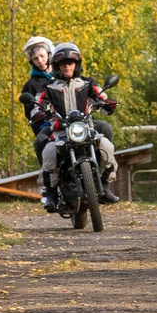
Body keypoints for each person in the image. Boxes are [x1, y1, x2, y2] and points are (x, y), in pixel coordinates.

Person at [30, 44, 119, 207]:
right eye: (63, 63)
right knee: (49, 153)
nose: (67, 66)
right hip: (60, 131)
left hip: (86, 129)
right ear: (56, 66)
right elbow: (38, 105)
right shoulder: (48, 86)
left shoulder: (87, 83)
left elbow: (101, 97)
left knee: (107, 147)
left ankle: (104, 185)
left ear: (76, 64)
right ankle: (51, 193)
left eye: (70, 62)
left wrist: (108, 104)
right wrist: (39, 112)